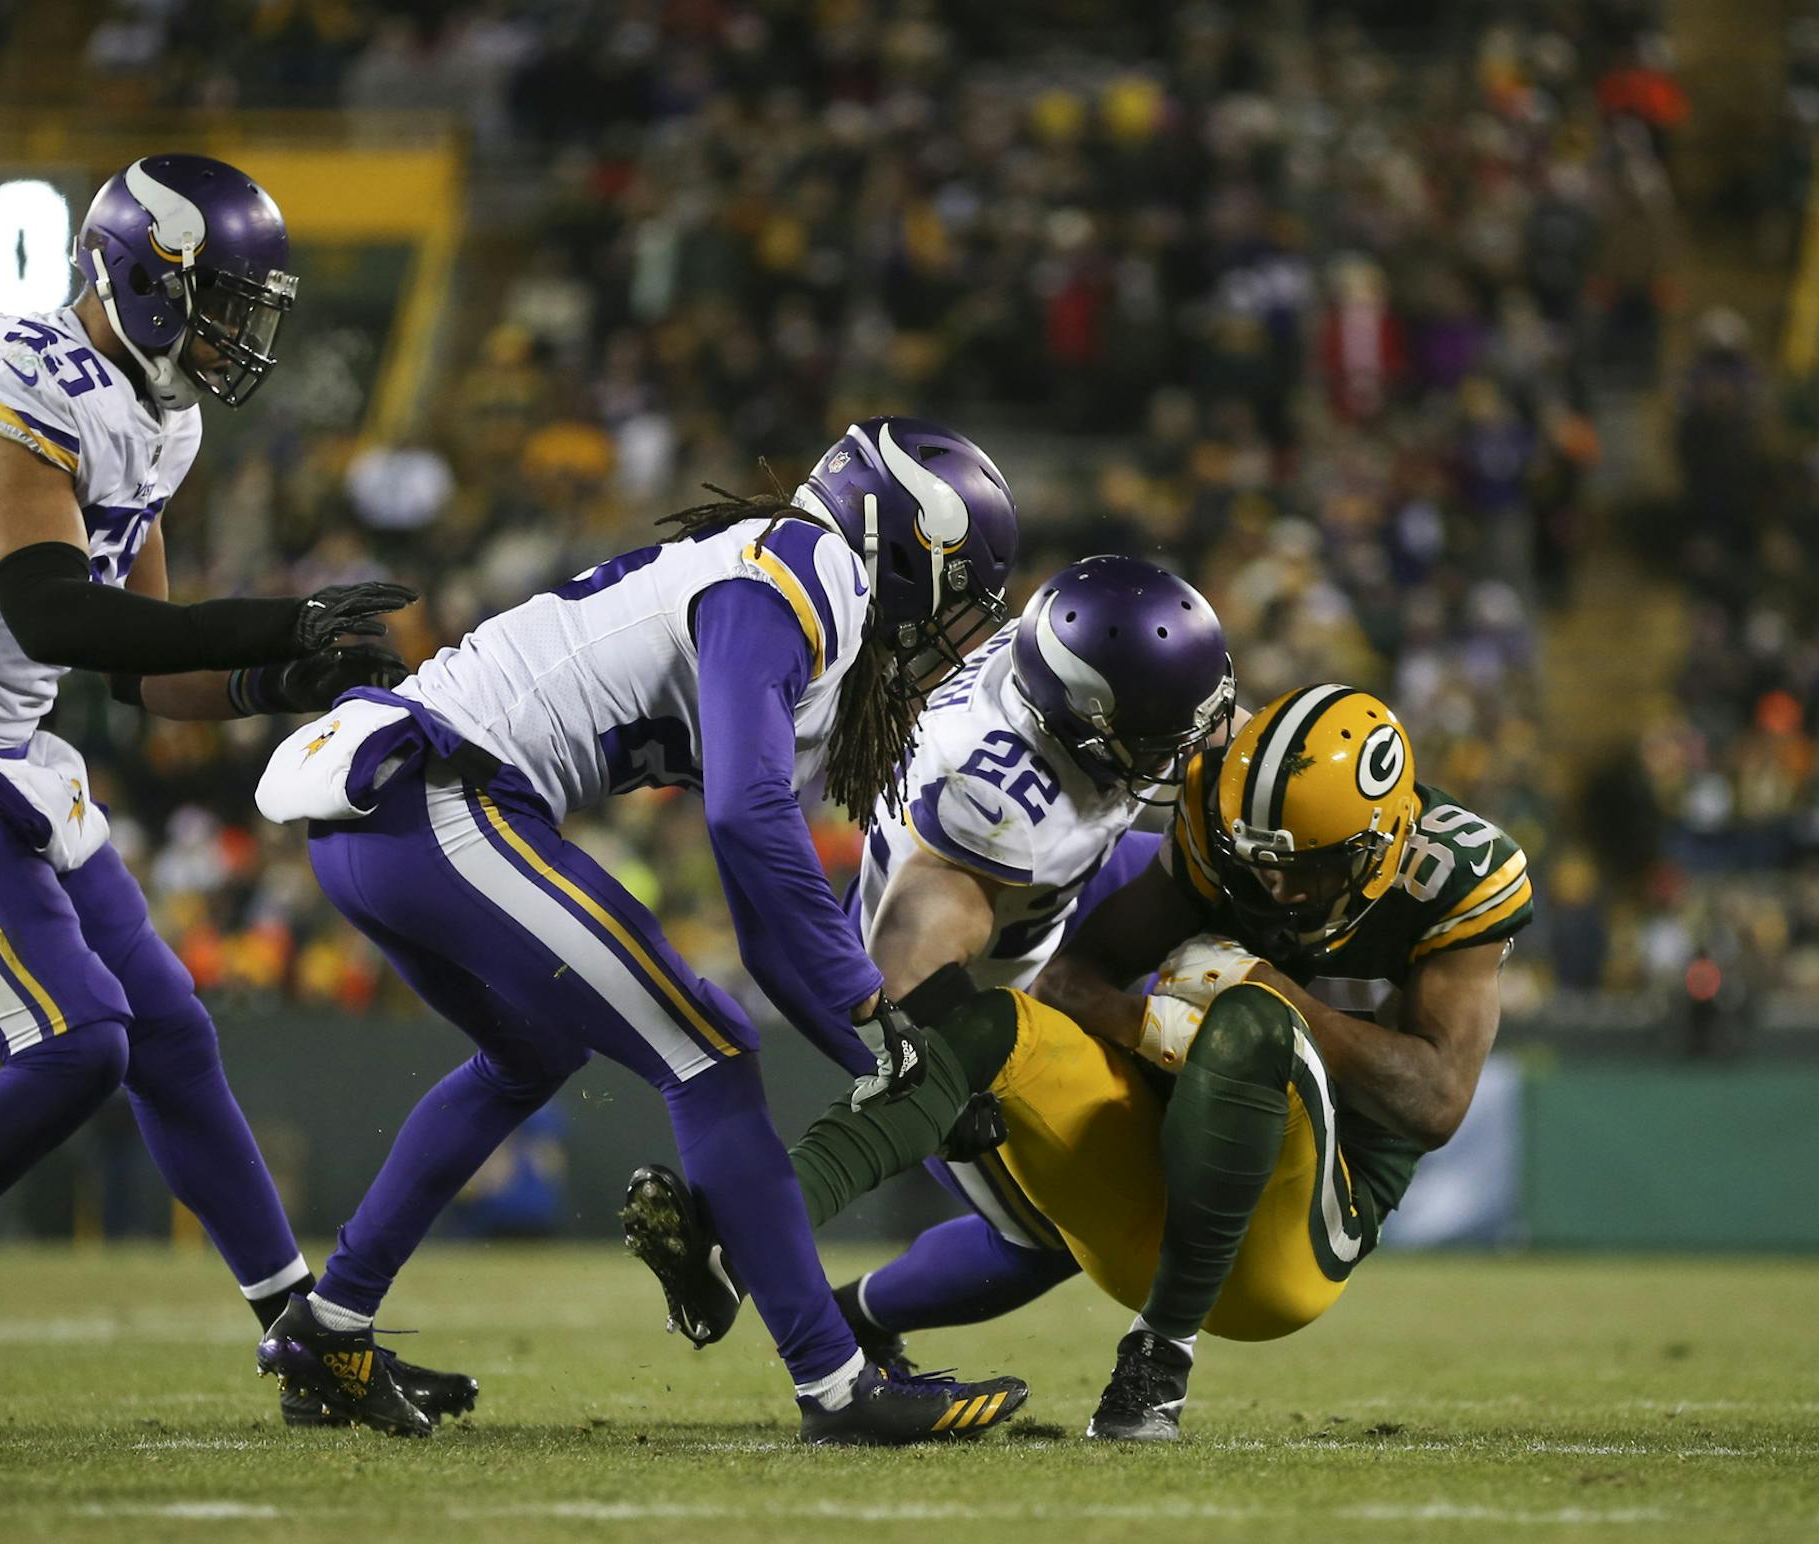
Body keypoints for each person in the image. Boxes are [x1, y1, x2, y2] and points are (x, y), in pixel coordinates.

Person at [0, 154, 475, 1438]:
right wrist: (281, 610)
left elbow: (154, 662)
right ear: (135, 277)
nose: (239, 333)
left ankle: (307, 1344)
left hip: (4, 753)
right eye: (220, 299)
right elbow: (55, 610)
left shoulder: (164, 410)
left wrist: (285, 673)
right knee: (80, 1042)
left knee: (171, 1034)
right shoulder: (14, 373)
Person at [252, 418, 1030, 1444]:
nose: (949, 629)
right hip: (444, 797)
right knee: (708, 1051)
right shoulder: (799, 573)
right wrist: (876, 1017)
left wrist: (874, 1045)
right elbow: (748, 821)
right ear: (903, 547)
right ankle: (837, 1384)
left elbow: (764, 915)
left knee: (532, 1051)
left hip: (385, 814)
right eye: (953, 591)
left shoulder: (781, 579)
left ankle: (330, 1326)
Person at [627, 685, 1532, 1441]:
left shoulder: (1457, 879)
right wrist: (1159, 1031)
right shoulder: (1220, 839)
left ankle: (1156, 1366)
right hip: (1160, 1162)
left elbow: (1437, 1102)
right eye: (1260, 864)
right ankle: (741, 1239)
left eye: (1310, 869)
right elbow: (1070, 976)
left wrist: (1270, 996)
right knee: (991, 1023)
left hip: (1291, 1238)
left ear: (1383, 842)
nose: (1279, 890)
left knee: (1252, 1022)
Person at [623, 556, 1237, 1361]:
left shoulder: (1051, 661)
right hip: (954, 967)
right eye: (1158, 738)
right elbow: (901, 973)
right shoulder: (999, 808)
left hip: (1042, 903)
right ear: (1081, 721)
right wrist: (948, 1082)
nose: (1177, 752)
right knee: (1047, 1238)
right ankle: (759, 1262)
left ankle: (750, 1252)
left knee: (1213, 876)